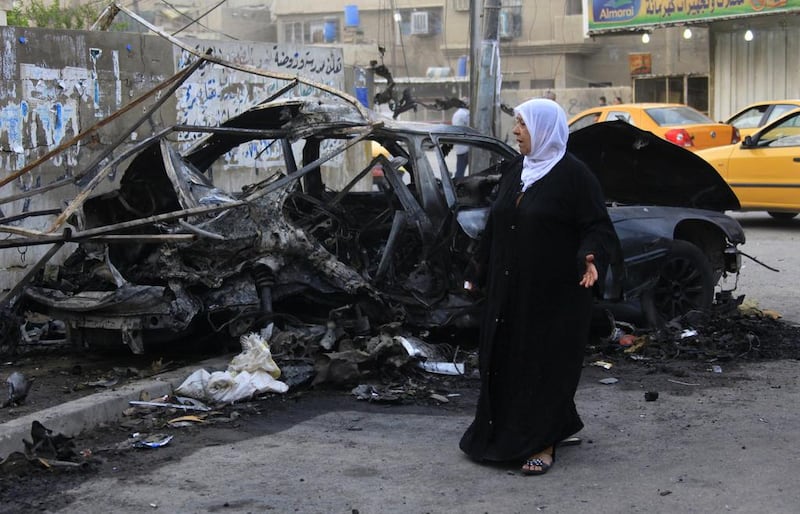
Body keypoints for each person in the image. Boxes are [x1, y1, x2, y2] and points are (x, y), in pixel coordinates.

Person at [459, 98, 621, 476]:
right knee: (502, 359)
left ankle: (543, 443)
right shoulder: (519, 170)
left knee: (543, 365)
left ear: (544, 129)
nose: (515, 131)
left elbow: (597, 227)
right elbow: (496, 226)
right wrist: (478, 269)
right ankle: (503, 432)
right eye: (516, 123)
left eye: (522, 125)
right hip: (509, 290)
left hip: (554, 295)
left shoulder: (574, 176)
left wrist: (591, 257)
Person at [451, 99, 471, 179]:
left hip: (459, 146)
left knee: (460, 170)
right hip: (468, 147)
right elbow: (472, 127)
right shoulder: (466, 114)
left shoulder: (456, 114)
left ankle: (456, 185)